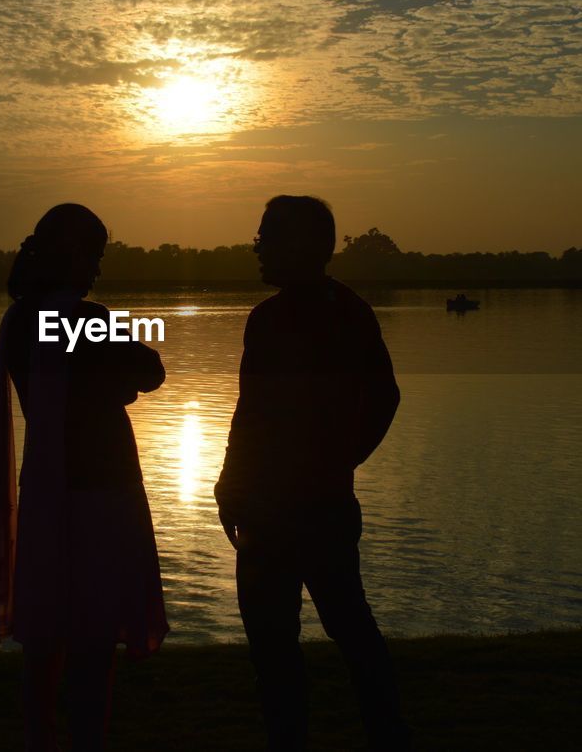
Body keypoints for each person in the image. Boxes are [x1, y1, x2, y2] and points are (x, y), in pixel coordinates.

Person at [215, 195, 409, 751]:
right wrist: (232, 482)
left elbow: (383, 398)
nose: (257, 249)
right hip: (282, 504)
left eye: (266, 238)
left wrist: (336, 461)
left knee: (319, 637)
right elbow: (250, 412)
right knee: (319, 636)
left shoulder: (324, 315)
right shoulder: (294, 315)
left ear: (304, 246)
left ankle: (377, 735)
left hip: (299, 506)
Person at [0, 204, 169, 752]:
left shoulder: (20, 321)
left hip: (44, 488)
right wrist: (116, 388)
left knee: (46, 638)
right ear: (71, 254)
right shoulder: (84, 318)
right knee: (91, 638)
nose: (97, 269)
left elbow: (92, 383)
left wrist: (110, 385)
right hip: (100, 492)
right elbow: (150, 369)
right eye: (94, 256)